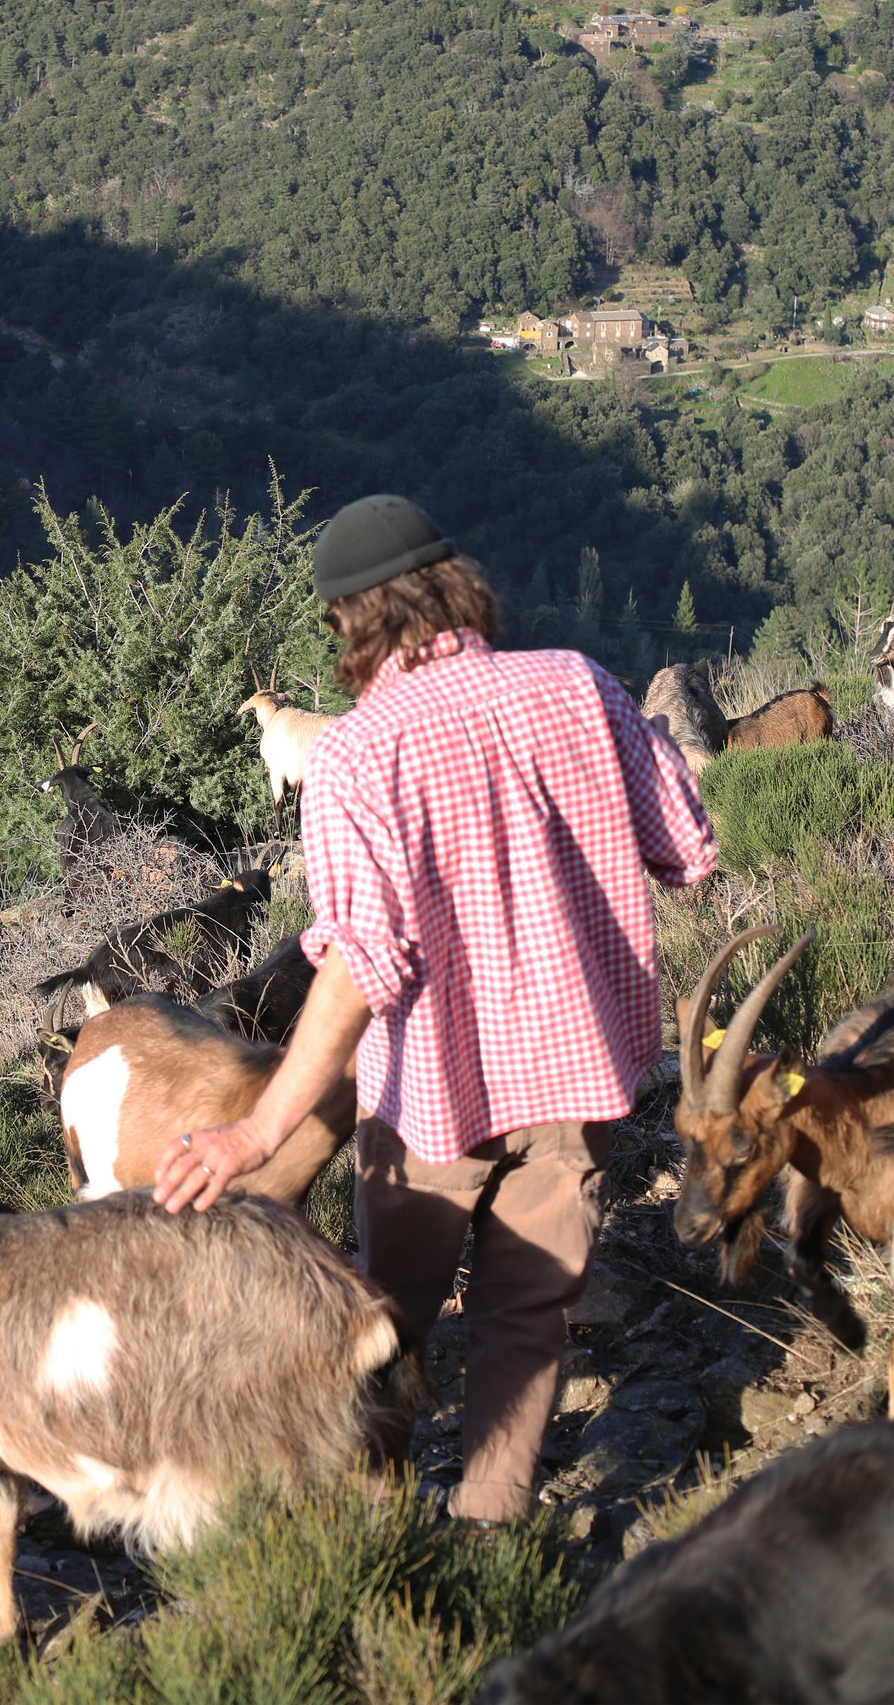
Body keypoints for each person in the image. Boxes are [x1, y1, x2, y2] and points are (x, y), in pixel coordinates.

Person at [154, 494, 716, 1524]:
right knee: (524, 1316)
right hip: (573, 1079)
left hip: (430, 1102)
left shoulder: (356, 758)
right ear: (451, 586)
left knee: (383, 1322)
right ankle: (485, 1538)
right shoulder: (577, 686)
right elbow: (685, 847)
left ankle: (365, 1534)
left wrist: (259, 1129)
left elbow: (363, 963)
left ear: (345, 622)